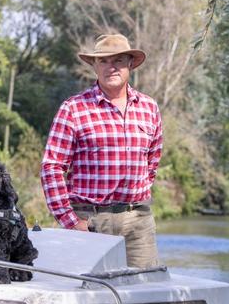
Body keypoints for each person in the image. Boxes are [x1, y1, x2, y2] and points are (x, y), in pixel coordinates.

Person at [41, 33, 163, 268]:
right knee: (88, 288)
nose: (111, 67)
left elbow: (152, 162)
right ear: (95, 66)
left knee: (144, 288)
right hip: (89, 221)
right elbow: (51, 167)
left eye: (118, 60)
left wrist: (135, 195)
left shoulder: (149, 108)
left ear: (130, 64)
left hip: (138, 223)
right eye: (104, 61)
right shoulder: (73, 109)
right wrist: (70, 221)